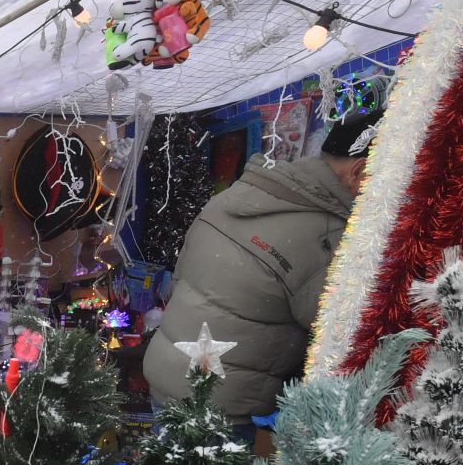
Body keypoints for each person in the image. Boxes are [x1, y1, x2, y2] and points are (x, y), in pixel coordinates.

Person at [143, 109, 383, 445]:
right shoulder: (324, 234)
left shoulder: (237, 194)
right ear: (360, 173)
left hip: (169, 377)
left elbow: (183, 275)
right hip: (222, 408)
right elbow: (339, 331)